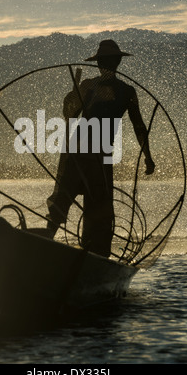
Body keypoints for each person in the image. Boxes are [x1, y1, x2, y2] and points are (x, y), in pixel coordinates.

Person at [45, 39, 155, 257]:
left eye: (108, 61)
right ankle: (48, 244)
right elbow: (69, 114)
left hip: (96, 155)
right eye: (108, 61)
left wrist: (148, 156)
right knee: (66, 202)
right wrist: (73, 96)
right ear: (114, 63)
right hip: (81, 153)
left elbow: (139, 126)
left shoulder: (122, 91)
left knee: (91, 209)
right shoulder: (90, 86)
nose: (108, 65)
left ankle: (92, 254)